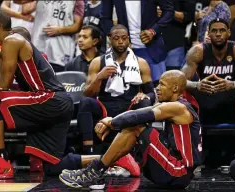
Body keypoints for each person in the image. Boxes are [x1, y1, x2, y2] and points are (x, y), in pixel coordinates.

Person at [0, 11, 138, 179]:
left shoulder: (12, 41)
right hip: (56, 104)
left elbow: (2, 85)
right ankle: (116, 157)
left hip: (49, 98)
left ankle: (1, 162)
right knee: (53, 166)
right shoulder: (3, 50)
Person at [59, 70, 202, 190]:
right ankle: (106, 168)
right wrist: (111, 122)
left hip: (178, 172)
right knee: (136, 126)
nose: (157, 88)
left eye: (162, 85)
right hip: (175, 170)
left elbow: (137, 116)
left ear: (175, 88)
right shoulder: (173, 106)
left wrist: (111, 123)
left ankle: (95, 172)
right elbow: (137, 113)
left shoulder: (178, 107)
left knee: (135, 127)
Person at [181, 18, 235, 158]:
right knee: (181, 95)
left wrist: (232, 84)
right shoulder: (198, 51)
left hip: (232, 103)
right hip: (205, 103)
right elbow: (179, 81)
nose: (218, 34)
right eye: (214, 31)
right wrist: (197, 85)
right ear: (209, 34)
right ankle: (185, 150)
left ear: (229, 32)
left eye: (222, 30)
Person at [77, 24, 154, 154]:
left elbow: (151, 93)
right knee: (85, 103)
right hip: (105, 105)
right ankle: (88, 151)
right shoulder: (98, 62)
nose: (120, 41)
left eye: (124, 38)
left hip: (129, 105)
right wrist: (99, 77)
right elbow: (87, 94)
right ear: (110, 40)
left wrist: (145, 96)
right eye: (116, 38)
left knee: (144, 103)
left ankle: (142, 150)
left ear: (128, 39)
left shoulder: (141, 63)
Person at [101, 0, 174, 84]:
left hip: (152, 49)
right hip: (125, 51)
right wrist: (118, 37)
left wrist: (153, 31)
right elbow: (104, 18)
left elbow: (168, 11)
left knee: (158, 88)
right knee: (127, 91)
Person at [21, 0, 84, 72]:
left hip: (61, 50)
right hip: (38, 45)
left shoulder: (77, 1)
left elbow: (77, 26)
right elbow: (25, 10)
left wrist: (60, 30)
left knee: (57, 78)